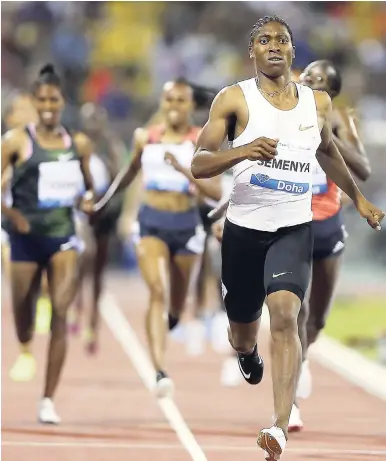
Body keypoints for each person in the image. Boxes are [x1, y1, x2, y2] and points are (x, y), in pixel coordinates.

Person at [191, 15, 384, 460]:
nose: (274, 45)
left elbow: (327, 152)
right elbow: (199, 162)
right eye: (264, 40)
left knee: (284, 314)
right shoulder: (233, 98)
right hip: (244, 230)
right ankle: (245, 353)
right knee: (243, 330)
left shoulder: (316, 104)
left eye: (283, 40)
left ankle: (278, 425)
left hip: (294, 228)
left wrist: (359, 199)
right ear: (252, 52)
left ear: (294, 52)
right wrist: (243, 149)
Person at [91, 79, 222, 395]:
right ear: (162, 103)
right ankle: (160, 370)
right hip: (151, 221)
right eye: (169, 100)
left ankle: (175, 317)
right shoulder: (145, 137)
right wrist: (104, 201)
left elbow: (215, 191)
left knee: (176, 302)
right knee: (157, 291)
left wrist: (182, 169)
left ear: (191, 106)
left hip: (186, 224)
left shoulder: (200, 141)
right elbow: (129, 175)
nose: (175, 106)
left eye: (181, 101)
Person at [1, 64, 95, 424]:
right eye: (41, 99)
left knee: (60, 312)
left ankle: (47, 399)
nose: (47, 106)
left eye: (53, 99)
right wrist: (12, 215)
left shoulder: (78, 144)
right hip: (24, 239)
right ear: (34, 101)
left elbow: (89, 189)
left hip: (63, 238)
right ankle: (25, 340)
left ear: (63, 101)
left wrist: (87, 200)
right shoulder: (16, 141)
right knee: (23, 316)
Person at [288, 60, 371, 431]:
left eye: (319, 79)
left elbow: (363, 169)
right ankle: (287, 403)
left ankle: (300, 361)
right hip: (294, 221)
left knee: (317, 317)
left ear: (332, 91)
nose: (308, 81)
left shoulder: (338, 121)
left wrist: (326, 133)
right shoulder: (285, 113)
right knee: (296, 311)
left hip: (329, 225)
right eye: (306, 76)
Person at [69, 102, 125, 355]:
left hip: (104, 212)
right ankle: (76, 305)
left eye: (97, 119)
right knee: (83, 257)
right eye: (88, 119)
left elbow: (121, 174)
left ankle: (92, 322)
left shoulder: (109, 144)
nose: (93, 125)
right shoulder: (75, 143)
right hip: (80, 211)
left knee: (99, 270)